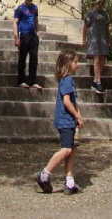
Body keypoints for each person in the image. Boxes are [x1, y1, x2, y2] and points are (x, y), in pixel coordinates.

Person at [36, 50, 84, 194]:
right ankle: (44, 174)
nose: (78, 64)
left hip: (70, 120)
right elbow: (67, 101)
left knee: (71, 150)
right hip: (65, 120)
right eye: (76, 62)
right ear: (68, 64)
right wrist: (76, 116)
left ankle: (70, 183)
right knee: (67, 150)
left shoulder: (68, 79)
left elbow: (74, 102)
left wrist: (79, 116)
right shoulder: (67, 80)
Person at [13, 0, 42, 89]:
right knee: (22, 58)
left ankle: (32, 81)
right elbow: (15, 23)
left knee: (34, 59)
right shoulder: (20, 9)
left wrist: (37, 33)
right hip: (24, 35)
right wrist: (16, 37)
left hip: (33, 36)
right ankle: (21, 81)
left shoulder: (35, 8)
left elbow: (36, 21)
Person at [82, 0, 110, 94]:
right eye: (98, 3)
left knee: (103, 59)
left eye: (102, 3)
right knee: (97, 59)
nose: (100, 5)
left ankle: (95, 81)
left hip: (102, 39)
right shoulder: (90, 13)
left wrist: (109, 39)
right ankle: (98, 82)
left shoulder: (104, 14)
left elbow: (107, 28)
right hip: (93, 39)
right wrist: (84, 40)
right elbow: (85, 27)